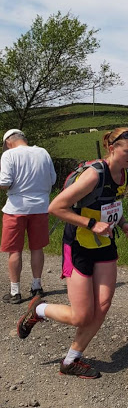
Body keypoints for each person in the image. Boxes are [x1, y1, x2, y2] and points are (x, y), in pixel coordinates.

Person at [16, 127, 128, 379]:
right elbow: (56, 207)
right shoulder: (94, 175)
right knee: (81, 316)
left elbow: (111, 204)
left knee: (102, 306)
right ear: (111, 148)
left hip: (104, 245)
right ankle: (39, 310)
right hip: (79, 246)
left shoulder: (126, 174)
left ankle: (71, 359)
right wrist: (92, 224)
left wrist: (123, 223)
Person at [1, 129, 57, 304]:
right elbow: (53, 179)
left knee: (15, 250)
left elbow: (5, 182)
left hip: (16, 208)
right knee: (37, 248)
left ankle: (15, 292)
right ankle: (36, 286)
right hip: (40, 207)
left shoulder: (9, 155)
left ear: (8, 142)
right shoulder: (43, 152)